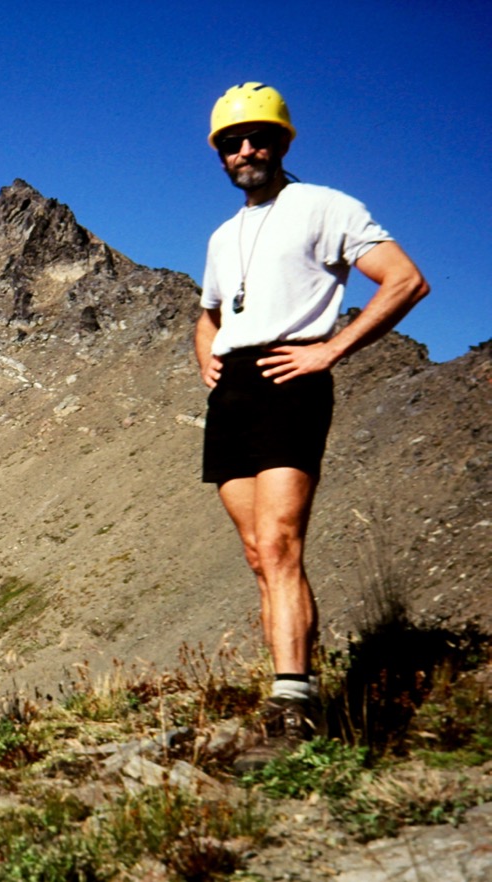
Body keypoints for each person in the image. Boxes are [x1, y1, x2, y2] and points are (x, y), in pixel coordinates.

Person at [195, 84, 429, 770]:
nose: (246, 151)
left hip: (291, 380)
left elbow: (405, 279)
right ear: (219, 154)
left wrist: (330, 349)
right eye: (232, 143)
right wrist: (206, 361)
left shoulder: (325, 206)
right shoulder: (221, 234)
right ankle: (289, 691)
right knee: (256, 554)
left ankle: (295, 704)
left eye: (259, 138)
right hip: (233, 391)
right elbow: (207, 312)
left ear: (283, 142)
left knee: (280, 540)